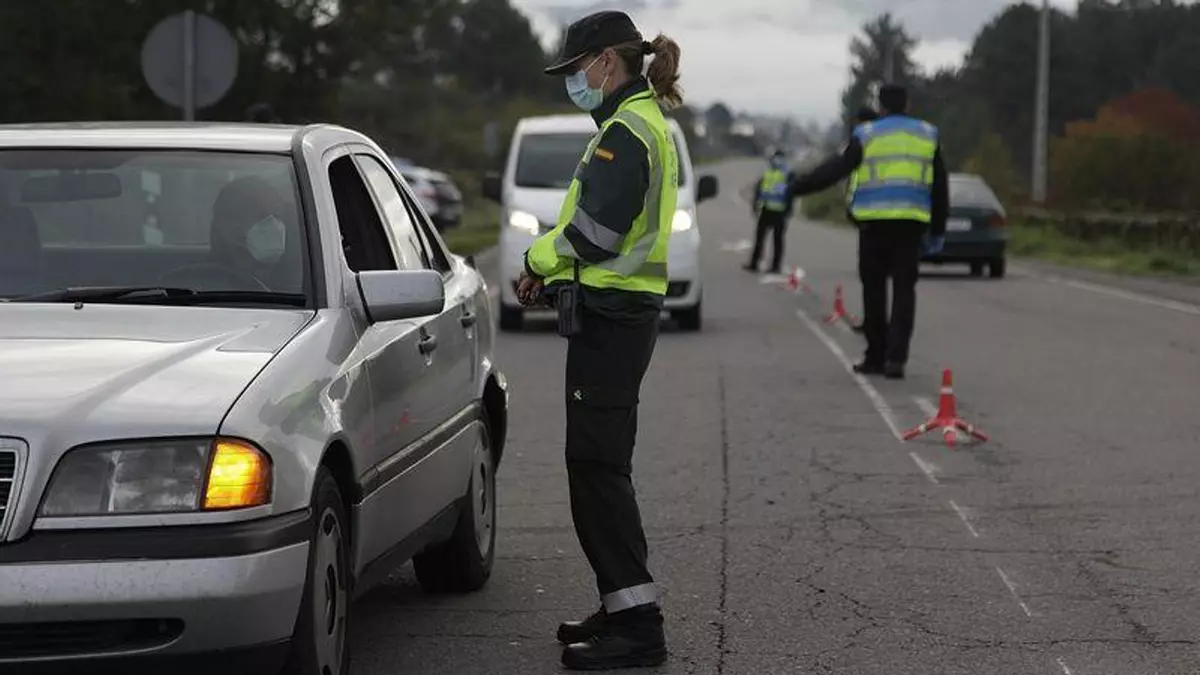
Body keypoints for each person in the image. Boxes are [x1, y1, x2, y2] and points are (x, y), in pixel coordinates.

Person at [515, 9, 682, 671]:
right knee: (598, 465)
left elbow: (594, 234)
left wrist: (535, 261)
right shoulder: (636, 122)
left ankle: (639, 626)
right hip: (617, 312)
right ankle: (620, 605)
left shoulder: (626, 132)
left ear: (606, 62)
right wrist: (553, 273)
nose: (573, 80)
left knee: (597, 469)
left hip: (614, 316)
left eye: (577, 68)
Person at [789, 85, 948, 380]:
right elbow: (940, 185)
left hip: (873, 224)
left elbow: (837, 169)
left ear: (881, 106)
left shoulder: (867, 134)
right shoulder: (927, 134)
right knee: (904, 291)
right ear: (908, 104)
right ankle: (896, 359)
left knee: (874, 290)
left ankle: (876, 356)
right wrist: (938, 230)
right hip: (911, 224)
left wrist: (799, 187)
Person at [744, 149, 793, 274]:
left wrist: (788, 210)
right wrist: (755, 205)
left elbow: (790, 193)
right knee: (759, 237)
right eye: (775, 158)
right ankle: (754, 263)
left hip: (780, 212)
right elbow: (759, 190)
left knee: (777, 240)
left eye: (779, 158)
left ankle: (776, 266)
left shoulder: (788, 174)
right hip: (766, 210)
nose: (776, 160)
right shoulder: (767, 173)